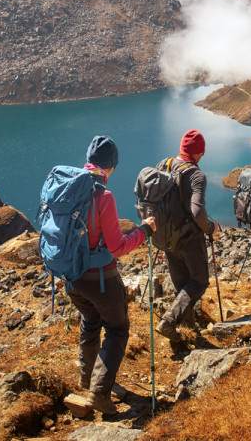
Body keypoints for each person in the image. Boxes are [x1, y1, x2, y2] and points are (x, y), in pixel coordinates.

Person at [66, 135, 156, 415]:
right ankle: (99, 392)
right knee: (117, 329)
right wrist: (144, 231)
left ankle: (86, 377)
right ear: (111, 166)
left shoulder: (67, 186)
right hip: (99, 279)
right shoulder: (103, 196)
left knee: (90, 320)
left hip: (71, 277)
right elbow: (116, 246)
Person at [153, 129, 221, 347]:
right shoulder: (196, 175)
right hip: (189, 239)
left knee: (181, 284)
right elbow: (198, 212)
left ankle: (187, 330)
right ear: (199, 152)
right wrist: (211, 228)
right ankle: (169, 322)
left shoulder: (164, 164)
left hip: (166, 236)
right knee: (199, 281)